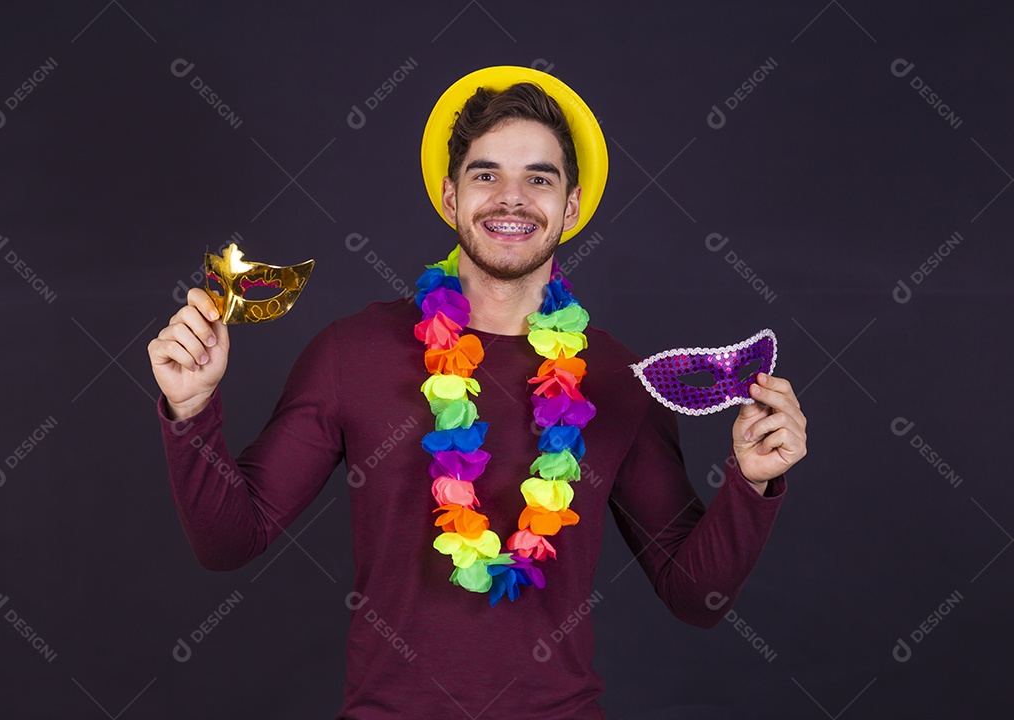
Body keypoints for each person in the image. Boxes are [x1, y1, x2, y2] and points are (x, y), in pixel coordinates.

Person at [147, 66, 808, 719]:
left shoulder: (617, 377)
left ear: (570, 205)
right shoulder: (354, 352)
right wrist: (191, 410)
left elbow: (696, 597)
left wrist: (749, 484)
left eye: (538, 179)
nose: (511, 198)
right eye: (486, 174)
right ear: (450, 197)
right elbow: (229, 542)